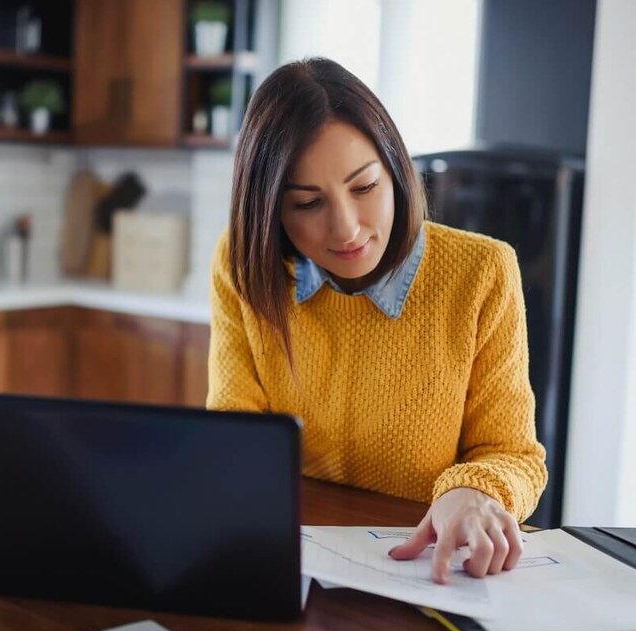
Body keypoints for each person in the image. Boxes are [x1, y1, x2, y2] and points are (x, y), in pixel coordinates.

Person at [207, 58, 548, 583]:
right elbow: (236, 438)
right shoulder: (244, 267)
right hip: (288, 562)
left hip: (432, 573)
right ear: (271, 210)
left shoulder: (482, 272)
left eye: (364, 188)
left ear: (395, 169)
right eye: (307, 202)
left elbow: (514, 455)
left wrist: (474, 490)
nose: (345, 228)